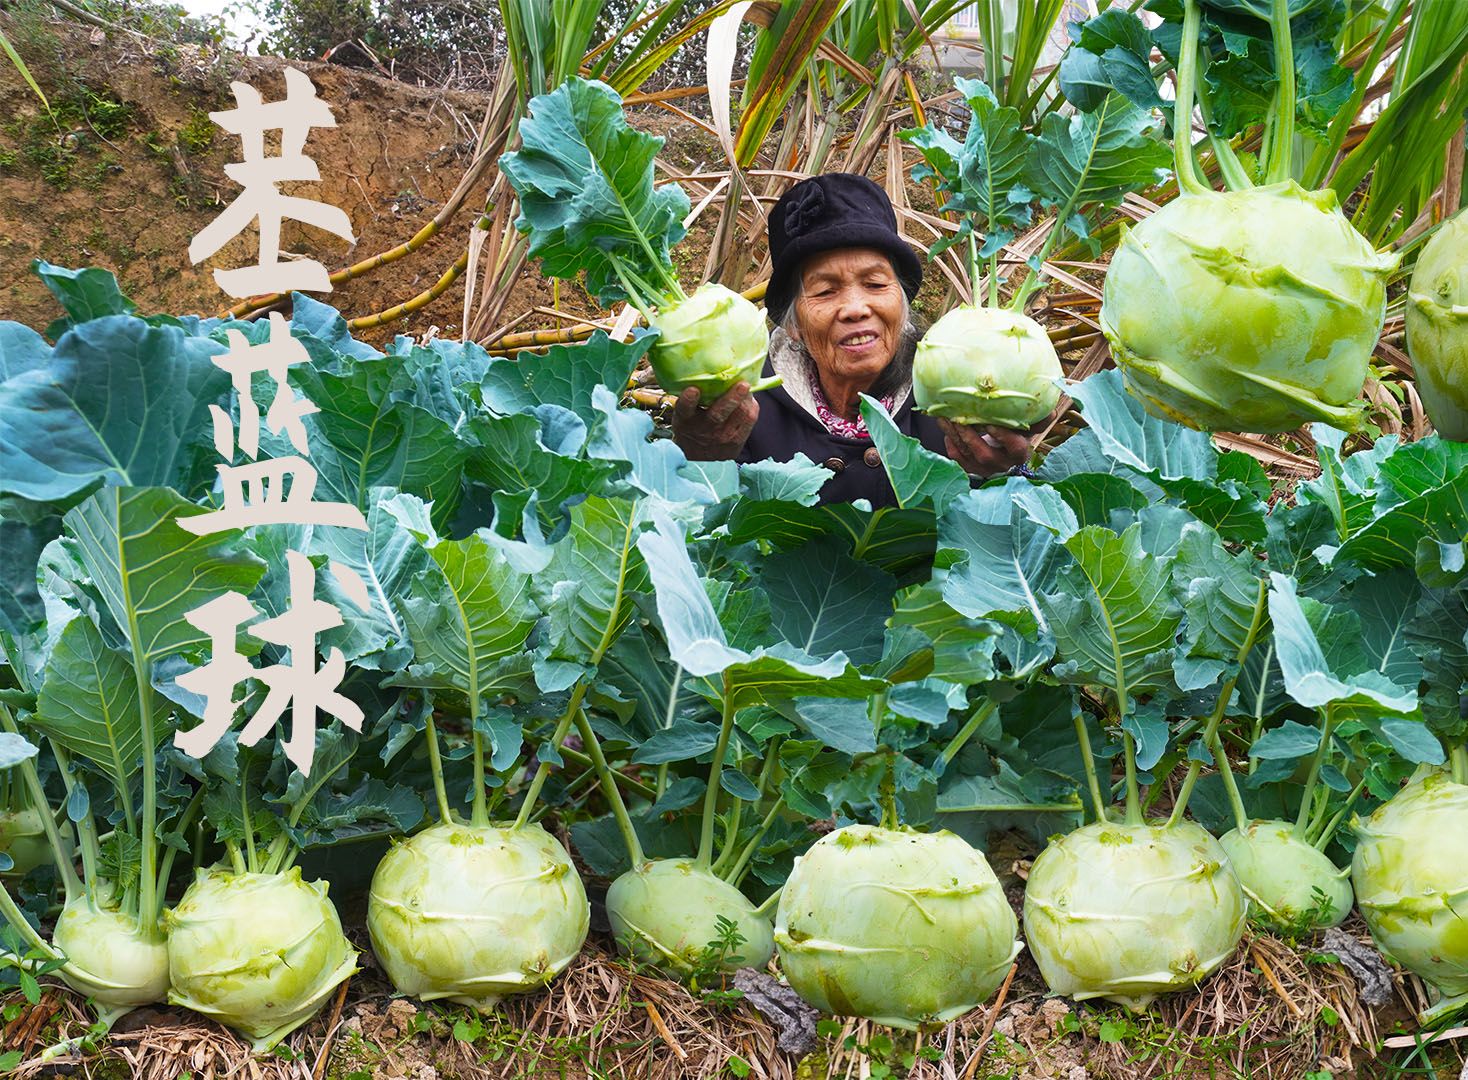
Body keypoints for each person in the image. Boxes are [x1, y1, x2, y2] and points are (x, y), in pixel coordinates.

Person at [671, 172, 1037, 507]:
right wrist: (700, 458)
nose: (855, 308)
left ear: (903, 301)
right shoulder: (742, 407)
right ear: (792, 324)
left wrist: (995, 473)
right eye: (826, 291)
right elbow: (707, 535)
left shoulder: (957, 394)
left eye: (876, 284)